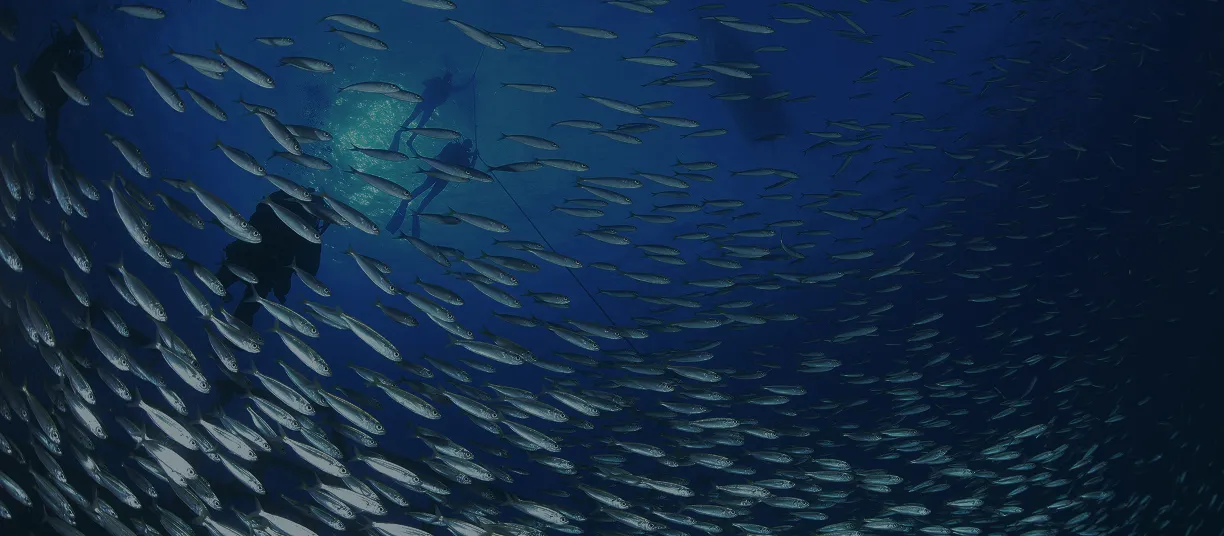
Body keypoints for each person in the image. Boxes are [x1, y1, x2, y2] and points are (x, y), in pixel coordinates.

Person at [216, 190, 330, 327]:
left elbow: (255, 215)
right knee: (245, 312)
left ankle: (197, 302)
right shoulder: (310, 232)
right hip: (268, 273)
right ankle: (235, 340)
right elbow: (310, 270)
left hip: (245, 255)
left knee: (214, 282)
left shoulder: (279, 203)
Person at [19, 21, 89, 158]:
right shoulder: (60, 48)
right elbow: (40, 64)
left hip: (52, 101)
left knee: (52, 136)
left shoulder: (77, 60)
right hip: (41, 92)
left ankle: (55, 162)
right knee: (20, 106)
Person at [385, 138, 478, 237]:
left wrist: (473, 157)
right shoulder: (458, 151)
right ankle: (413, 208)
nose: (467, 147)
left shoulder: (456, 149)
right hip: (442, 175)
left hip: (439, 173)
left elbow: (466, 170)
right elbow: (468, 171)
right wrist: (474, 157)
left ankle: (409, 204)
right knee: (428, 192)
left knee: (426, 190)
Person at [386, 70, 472, 154]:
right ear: (450, 80)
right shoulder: (447, 86)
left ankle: (401, 132)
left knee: (412, 119)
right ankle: (410, 139)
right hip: (429, 106)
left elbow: (424, 82)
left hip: (423, 103)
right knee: (420, 124)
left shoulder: (437, 82)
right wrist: (469, 83)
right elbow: (458, 89)